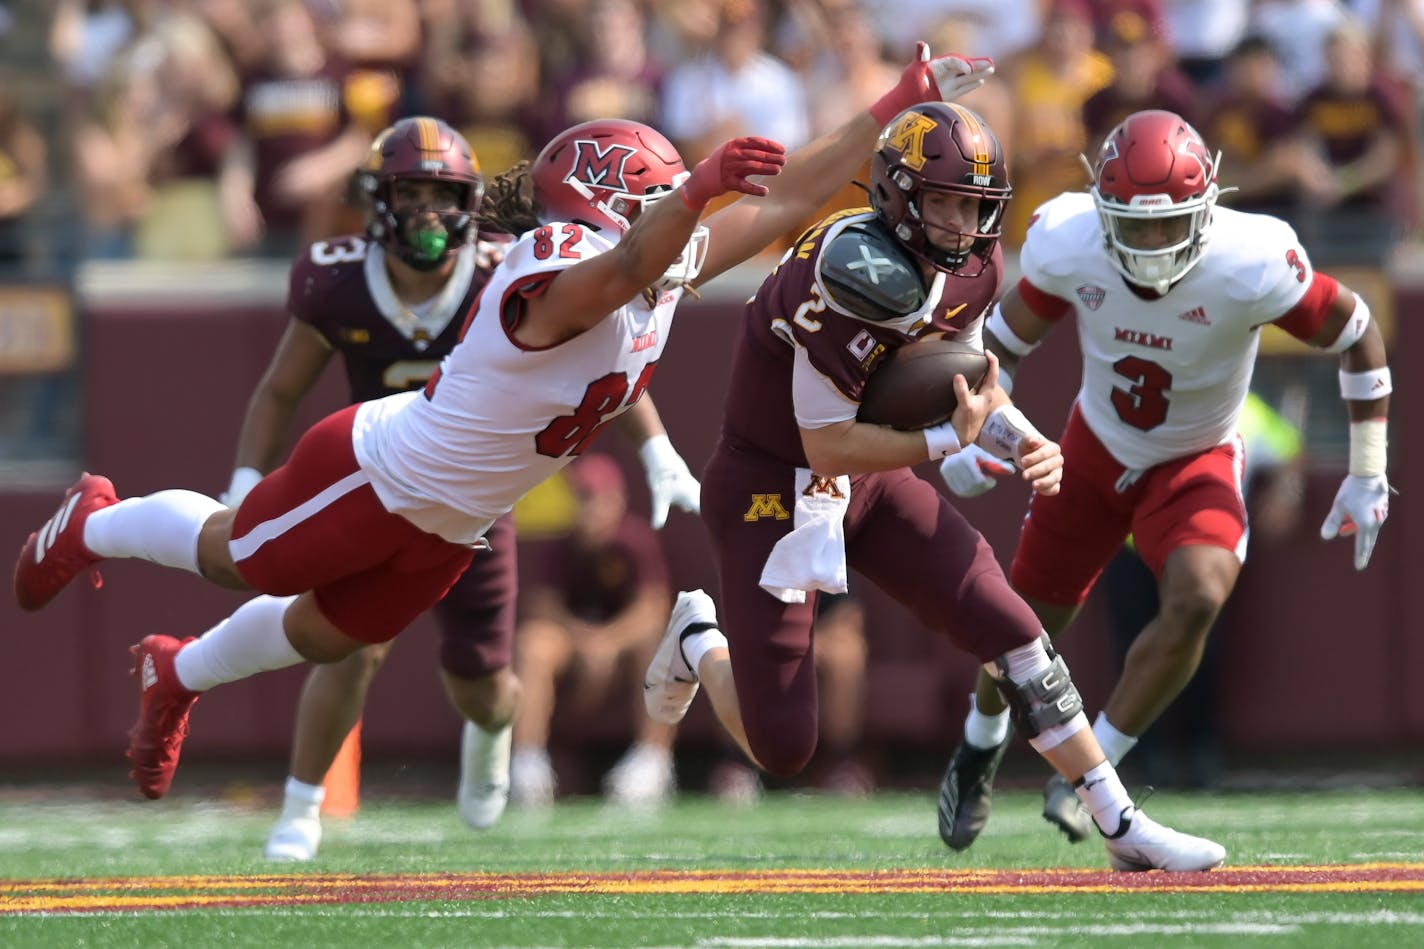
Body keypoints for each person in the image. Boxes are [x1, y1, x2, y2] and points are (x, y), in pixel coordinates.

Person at [13, 42, 995, 806]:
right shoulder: (551, 259)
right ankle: (94, 519)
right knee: (236, 560)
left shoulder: (654, 256)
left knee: (320, 634)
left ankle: (173, 674)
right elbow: (615, 276)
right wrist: (693, 189)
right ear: (610, 198)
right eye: (654, 190)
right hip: (384, 470)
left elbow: (784, 194)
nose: (675, 205)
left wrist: (891, 107)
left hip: (453, 516)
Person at [642, 100, 1227, 871]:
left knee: (1013, 629)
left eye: (975, 205)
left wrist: (1022, 440)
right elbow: (827, 441)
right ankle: (698, 637)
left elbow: (975, 385)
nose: (962, 223)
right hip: (773, 491)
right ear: (895, 192)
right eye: (945, 200)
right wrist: (953, 438)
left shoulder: (973, 265)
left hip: (870, 481)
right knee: (783, 747)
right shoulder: (849, 273)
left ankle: (1119, 823)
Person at [225, 116, 701, 860]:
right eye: (409, 193)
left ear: (471, 200)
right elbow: (278, 390)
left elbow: (609, 368)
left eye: (441, 194)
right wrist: (245, 481)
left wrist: (660, 449)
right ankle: (301, 807)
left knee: (481, 683)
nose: (427, 212)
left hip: (477, 504)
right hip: (381, 477)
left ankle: (491, 734)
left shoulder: (513, 264)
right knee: (351, 647)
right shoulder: (340, 278)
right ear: (377, 201)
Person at [935, 108, 1392, 851]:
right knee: (1022, 629)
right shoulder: (1071, 241)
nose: (1150, 244)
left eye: (1167, 224)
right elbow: (1001, 348)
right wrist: (983, 429)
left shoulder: (1251, 259)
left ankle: (1093, 775)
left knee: (1199, 596)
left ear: (1207, 209)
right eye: (1133, 225)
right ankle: (979, 741)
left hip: (1198, 453)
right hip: (1094, 450)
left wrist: (1369, 469)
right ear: (1102, 210)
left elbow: (1356, 330)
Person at [508, 452, 677, 808]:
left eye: (594, 498)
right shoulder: (562, 543)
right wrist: (585, 639)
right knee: (534, 643)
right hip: (575, 648)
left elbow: (653, 608)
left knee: (658, 644)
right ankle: (527, 765)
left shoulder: (634, 540)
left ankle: (652, 761)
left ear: (616, 500)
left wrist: (608, 641)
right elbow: (542, 605)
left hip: (623, 652)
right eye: (580, 498)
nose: (588, 509)